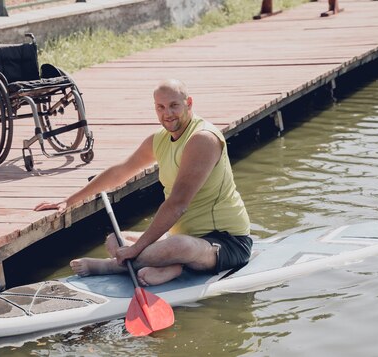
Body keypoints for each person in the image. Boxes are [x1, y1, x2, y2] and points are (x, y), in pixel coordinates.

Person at [34, 79, 252, 286]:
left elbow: (178, 204)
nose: (167, 114)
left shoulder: (203, 139)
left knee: (179, 245)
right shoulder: (159, 140)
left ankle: (112, 267)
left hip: (225, 241)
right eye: (161, 107)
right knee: (115, 239)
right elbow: (120, 172)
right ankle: (172, 265)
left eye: (174, 105)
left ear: (189, 103)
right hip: (180, 235)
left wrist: (135, 249)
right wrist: (69, 200)